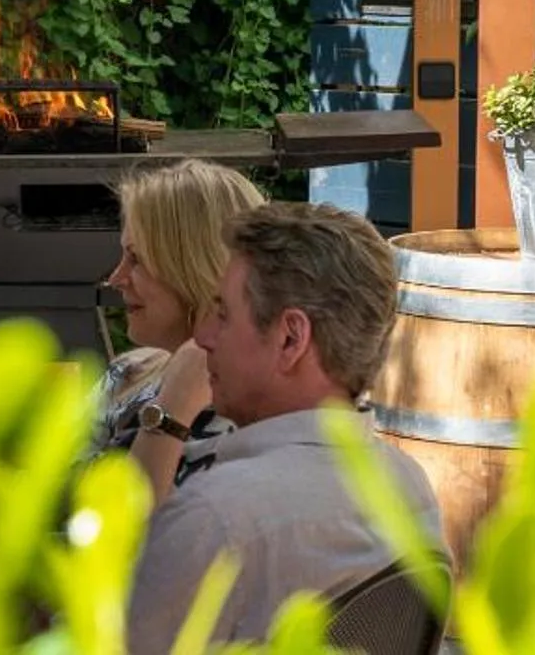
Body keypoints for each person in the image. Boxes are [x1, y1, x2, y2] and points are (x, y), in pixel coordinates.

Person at [125, 203, 444, 654]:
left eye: (224, 313)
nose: (204, 338)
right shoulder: (410, 485)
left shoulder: (216, 518)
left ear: (291, 339)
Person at [95, 159, 267, 502]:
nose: (115, 279)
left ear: (192, 266)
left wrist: (172, 409)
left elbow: (151, 542)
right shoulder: (132, 369)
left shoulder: (241, 422)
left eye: (137, 259)